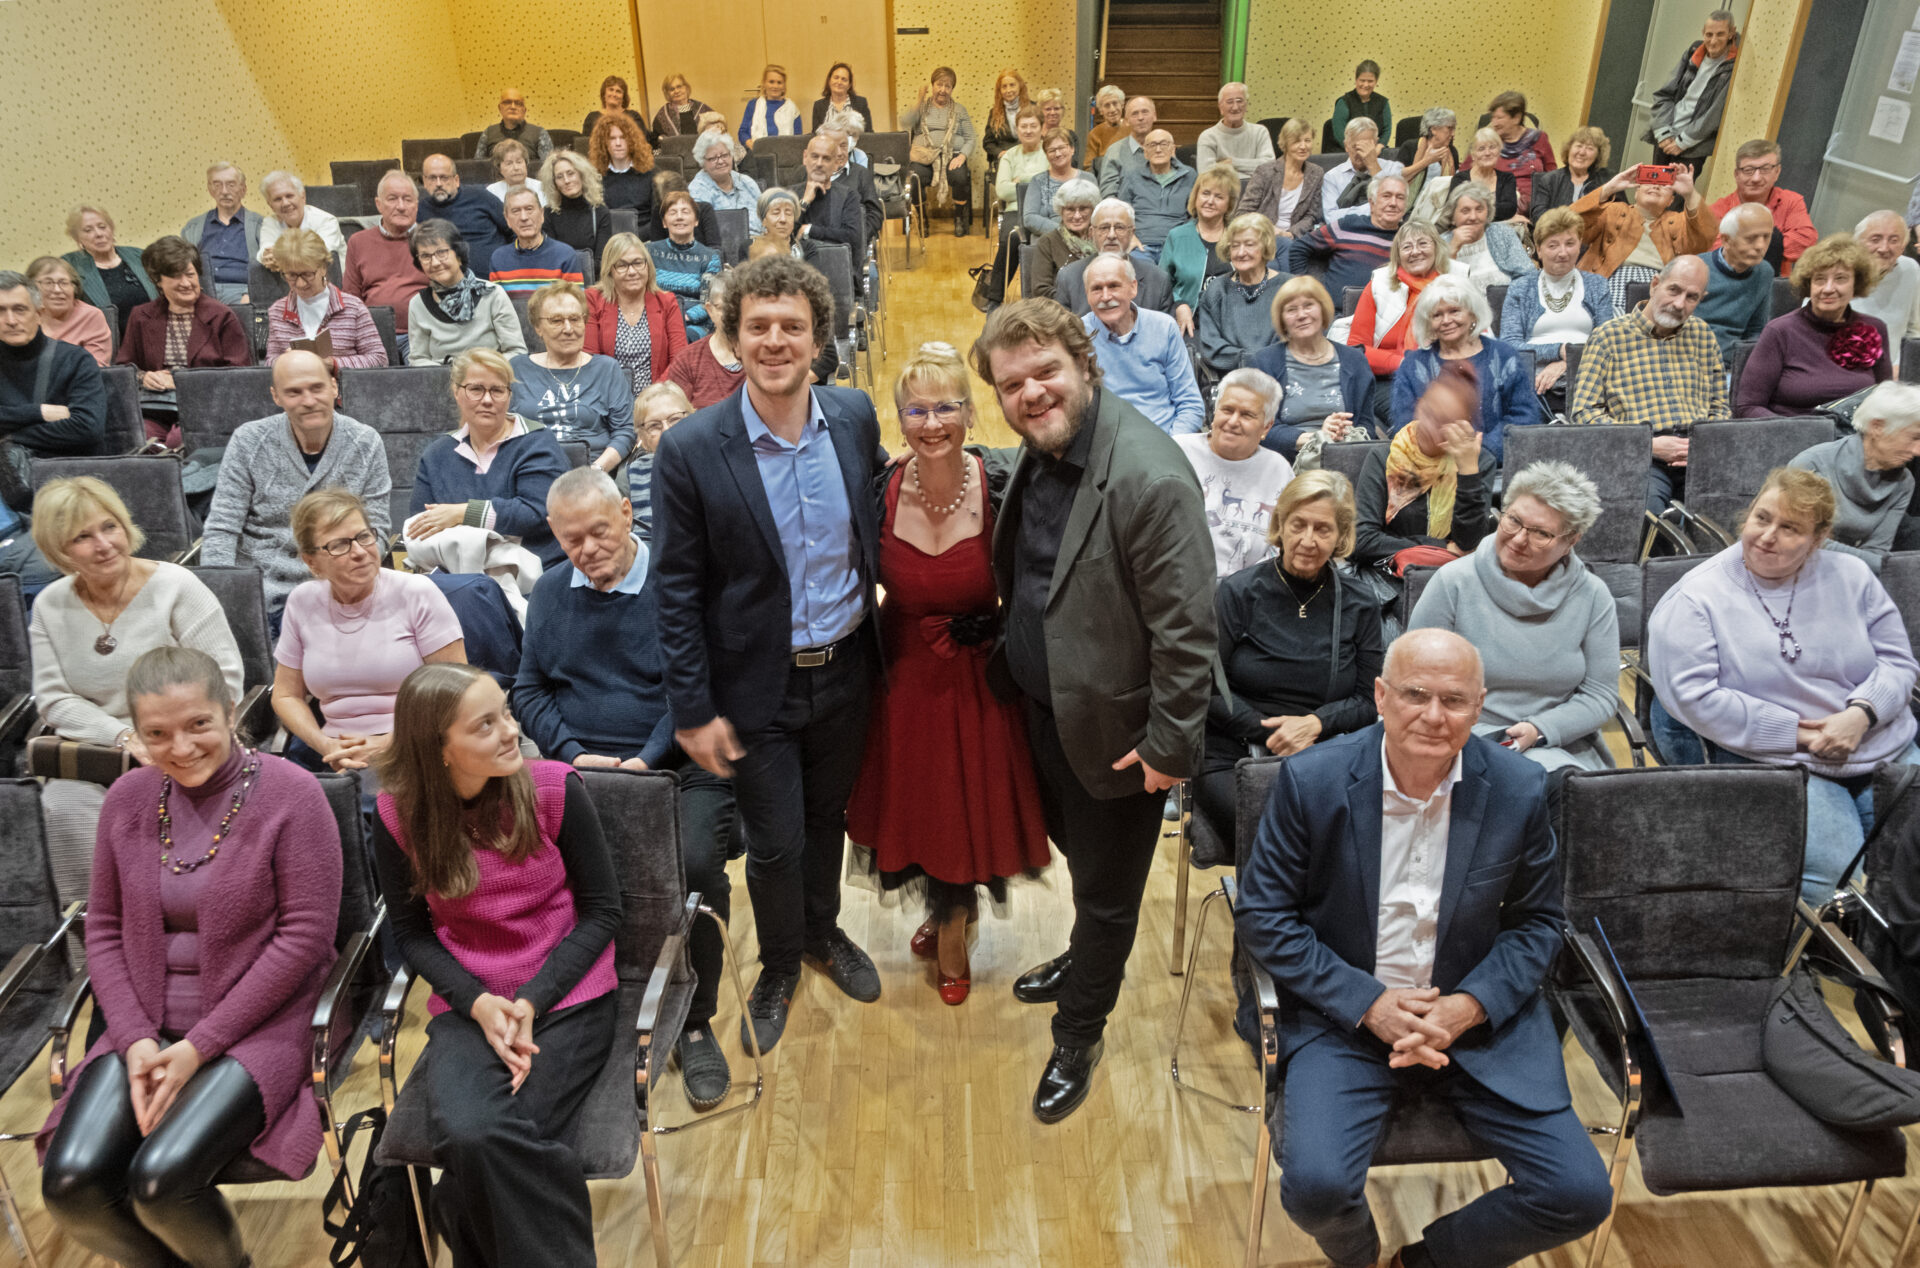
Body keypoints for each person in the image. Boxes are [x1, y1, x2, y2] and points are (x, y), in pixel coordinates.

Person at [1237, 626, 1614, 1268]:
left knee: (1578, 1194)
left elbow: (1538, 924)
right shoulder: (1311, 780)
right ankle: (1360, 1256)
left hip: (1473, 1021)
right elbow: (1264, 917)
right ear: (1381, 697)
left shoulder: (1520, 787)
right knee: (1317, 1190)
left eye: (1455, 700)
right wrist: (1370, 1004)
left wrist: (1468, 1006)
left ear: (1480, 706)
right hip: (1343, 1018)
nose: (1434, 716)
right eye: (1416, 694)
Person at [971, 299, 1215, 1123]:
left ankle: (1079, 1032)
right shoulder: (1045, 447)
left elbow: (1188, 632)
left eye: (1046, 372)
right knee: (1081, 861)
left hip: (1120, 736)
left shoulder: (1150, 476)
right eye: (1012, 384)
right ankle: (1083, 959)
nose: (1031, 393)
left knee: (1109, 894)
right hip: (1047, 709)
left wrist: (1170, 747)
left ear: (1086, 365)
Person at [37, 645, 341, 1268]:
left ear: (230, 710)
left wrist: (199, 1046)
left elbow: (304, 939)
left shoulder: (293, 793)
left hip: (261, 1024)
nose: (180, 747)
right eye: (157, 733)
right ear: (136, 733)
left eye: (198, 723)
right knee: (71, 1186)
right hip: (146, 1025)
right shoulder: (127, 797)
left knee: (163, 1182)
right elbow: (105, 930)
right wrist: (134, 1040)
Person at [654, 252, 887, 1056]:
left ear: (819, 339)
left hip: (849, 668)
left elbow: (880, 514)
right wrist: (692, 710)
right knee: (776, 841)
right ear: (735, 337)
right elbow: (675, 591)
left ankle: (823, 931)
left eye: (793, 326)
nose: (776, 341)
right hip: (757, 686)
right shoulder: (691, 447)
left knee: (829, 819)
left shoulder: (853, 416)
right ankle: (781, 962)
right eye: (759, 327)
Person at [371, 661, 619, 1267]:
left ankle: (456, 1216)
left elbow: (604, 913)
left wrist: (531, 999)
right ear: (439, 749)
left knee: (474, 1167)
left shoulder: (555, 787)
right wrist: (479, 1004)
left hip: (569, 994)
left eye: (505, 713)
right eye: (485, 724)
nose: (512, 731)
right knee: (469, 1136)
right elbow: (412, 935)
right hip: (471, 1000)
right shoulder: (397, 815)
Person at [508, 467, 734, 1105]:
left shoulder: (680, 582)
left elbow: (699, 683)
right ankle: (580, 1004)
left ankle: (695, 1020)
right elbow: (529, 689)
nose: (587, 550)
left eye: (599, 532)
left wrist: (645, 759)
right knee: (536, 869)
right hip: (580, 771)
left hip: (679, 762)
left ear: (629, 514)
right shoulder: (551, 592)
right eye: (571, 539)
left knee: (694, 867)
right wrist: (573, 754)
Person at [842, 344, 1050, 1005]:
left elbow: (1039, 578)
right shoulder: (878, 491)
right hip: (903, 673)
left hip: (981, 674)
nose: (932, 424)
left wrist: (1003, 630)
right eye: (917, 410)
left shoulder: (1002, 483)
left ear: (970, 411)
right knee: (921, 809)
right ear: (899, 418)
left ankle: (955, 926)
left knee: (968, 811)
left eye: (946, 408)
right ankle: (944, 908)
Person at [1649, 468, 1920, 903]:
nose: (1767, 536)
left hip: (1881, 741)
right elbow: (1695, 698)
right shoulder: (1696, 598)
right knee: (1835, 881)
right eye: (1762, 518)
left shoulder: (1852, 575)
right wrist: (1802, 734)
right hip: (1780, 756)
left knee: (1910, 869)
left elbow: (1898, 662)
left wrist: (1861, 714)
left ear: (1818, 539)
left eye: (1790, 528)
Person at [28, 477, 245, 909]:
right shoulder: (50, 605)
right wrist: (123, 737)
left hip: (184, 745)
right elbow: (53, 699)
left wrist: (162, 739)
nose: (104, 544)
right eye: (83, 537)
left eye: (110, 527)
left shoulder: (176, 586)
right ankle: (93, 936)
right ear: (59, 551)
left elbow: (222, 681)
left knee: (156, 811)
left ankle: (173, 925)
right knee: (60, 805)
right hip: (98, 753)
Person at [1195, 467, 1383, 842]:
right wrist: (1275, 732)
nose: (1308, 540)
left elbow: (1369, 700)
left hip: (1327, 747)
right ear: (1281, 524)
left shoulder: (1360, 602)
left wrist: (1315, 724)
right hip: (1235, 749)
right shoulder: (1238, 592)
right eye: (1298, 525)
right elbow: (1207, 689)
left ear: (1341, 536)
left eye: (1323, 529)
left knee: (1338, 831)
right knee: (1277, 830)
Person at [1410, 461, 1620, 772]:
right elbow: (1412, 676)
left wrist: (1540, 729)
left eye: (1541, 533)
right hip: (1464, 740)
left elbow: (1600, 694)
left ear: (1571, 541)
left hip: (1560, 741)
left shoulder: (1593, 596)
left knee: (1561, 787)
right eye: (1514, 521)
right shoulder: (1454, 581)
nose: (1519, 539)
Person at [274, 489, 466, 772]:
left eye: (364, 537)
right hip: (336, 754)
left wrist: (386, 745)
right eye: (340, 545)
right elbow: (285, 695)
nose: (360, 552)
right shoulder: (302, 602)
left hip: (417, 748)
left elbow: (457, 692)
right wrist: (325, 746)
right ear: (311, 561)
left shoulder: (416, 593)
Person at [201, 350, 392, 617]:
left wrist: (345, 584)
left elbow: (377, 530)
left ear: (334, 387)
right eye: (294, 392)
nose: (309, 401)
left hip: (339, 589)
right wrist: (224, 597)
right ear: (276, 396)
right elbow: (222, 529)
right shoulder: (248, 441)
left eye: (317, 388)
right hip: (261, 593)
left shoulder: (365, 442)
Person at [1570, 255, 1725, 513]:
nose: (1679, 303)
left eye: (1691, 297)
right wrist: (1648, 444)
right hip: (1639, 455)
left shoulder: (1702, 335)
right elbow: (1584, 414)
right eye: (1674, 290)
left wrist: (1702, 444)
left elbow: (1719, 406)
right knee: (1648, 512)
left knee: (1732, 506)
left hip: (1699, 453)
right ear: (1655, 285)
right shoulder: (1608, 337)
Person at [409, 348, 569, 567]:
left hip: (535, 572)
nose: (487, 400)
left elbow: (537, 513)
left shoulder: (537, 443)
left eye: (497, 390)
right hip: (458, 574)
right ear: (456, 392)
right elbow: (420, 526)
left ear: (509, 396)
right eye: (475, 389)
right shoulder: (437, 455)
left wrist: (463, 513)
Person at [1354, 363, 1495, 578]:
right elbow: (1362, 540)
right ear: (1418, 406)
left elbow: (1468, 543)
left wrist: (1468, 472)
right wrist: (1439, 547)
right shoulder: (1384, 457)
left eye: (1445, 423)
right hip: (1391, 574)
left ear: (1463, 425)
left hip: (1453, 575)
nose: (1431, 427)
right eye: (1429, 414)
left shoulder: (1479, 462)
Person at [1737, 235, 1892, 418]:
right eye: (1819, 279)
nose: (1828, 288)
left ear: (1856, 284)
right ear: (1808, 284)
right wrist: (1797, 429)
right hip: (1795, 430)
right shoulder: (1780, 331)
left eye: (1840, 279)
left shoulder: (1875, 328)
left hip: (1857, 432)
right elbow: (1748, 406)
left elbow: (1885, 400)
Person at [116, 237, 251, 444]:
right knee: (139, 438)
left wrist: (183, 381)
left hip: (207, 407)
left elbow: (239, 375)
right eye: (176, 276)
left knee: (177, 439)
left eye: (190, 274)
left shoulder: (222, 316)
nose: (186, 283)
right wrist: (144, 377)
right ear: (158, 281)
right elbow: (124, 368)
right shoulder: (141, 316)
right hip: (157, 407)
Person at [1391, 277, 1537, 463]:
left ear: (1473, 313)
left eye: (1454, 311)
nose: (1446, 320)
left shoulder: (1505, 356)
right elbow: (1405, 426)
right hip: (1434, 468)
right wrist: (1446, 455)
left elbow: (1525, 417)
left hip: (1497, 465)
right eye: (1437, 315)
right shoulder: (1412, 365)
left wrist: (1480, 452)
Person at [1790, 381, 1920, 572]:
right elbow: (1800, 540)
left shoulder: (1903, 482)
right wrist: (1868, 561)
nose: (1917, 451)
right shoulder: (1812, 464)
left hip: (1851, 575)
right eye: (1914, 437)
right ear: (1877, 427)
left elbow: (1877, 555)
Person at [1343, 221, 1466, 423]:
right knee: (1422, 417)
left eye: (1423, 243)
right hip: (1388, 379)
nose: (1415, 251)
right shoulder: (1379, 286)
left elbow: (1478, 338)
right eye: (1407, 247)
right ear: (1398, 255)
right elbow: (1356, 350)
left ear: (1437, 247)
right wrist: (1404, 363)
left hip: (1448, 375)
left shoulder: (1458, 284)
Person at [1176, 367, 1295, 574]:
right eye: (1227, 410)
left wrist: (1244, 586)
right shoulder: (1177, 451)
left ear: (1266, 427)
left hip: (1251, 588)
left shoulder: (1279, 470)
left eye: (1247, 415)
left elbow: (1284, 543)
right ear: (1214, 412)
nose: (1232, 422)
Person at [1500, 207, 1616, 416]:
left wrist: (1568, 362)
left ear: (1580, 245)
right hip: (1535, 381)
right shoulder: (1521, 287)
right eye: (1553, 245)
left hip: (1587, 377)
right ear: (1539, 249)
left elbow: (1608, 343)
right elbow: (1509, 344)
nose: (1563, 253)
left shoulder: (1597, 285)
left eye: (1570, 243)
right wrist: (1558, 350)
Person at [511, 281, 634, 474]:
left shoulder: (607, 369)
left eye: (575, 319)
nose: (568, 329)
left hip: (593, 472)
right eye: (556, 321)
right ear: (538, 327)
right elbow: (501, 429)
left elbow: (625, 432)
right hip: (531, 469)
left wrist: (595, 471)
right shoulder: (517, 369)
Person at [1248, 275, 1377, 456]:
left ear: (1323, 309)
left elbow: (1366, 427)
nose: (1302, 315)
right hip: (1286, 460)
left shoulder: (1355, 360)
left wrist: (1340, 434)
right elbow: (1259, 428)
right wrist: (1317, 438)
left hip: (1344, 456)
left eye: (1308, 305)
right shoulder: (1264, 362)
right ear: (1282, 320)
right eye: (1291, 310)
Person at [1081, 255, 1205, 435]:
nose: (1106, 297)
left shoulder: (1164, 327)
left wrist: (1172, 444)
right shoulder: (1078, 334)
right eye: (1097, 289)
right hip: (1107, 443)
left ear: (1133, 288)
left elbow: (1190, 404)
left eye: (1114, 286)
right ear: (1087, 294)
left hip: (1164, 438)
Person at [1573, 163, 1715, 311]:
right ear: (1636, 191)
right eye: (1649, 180)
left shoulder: (1679, 221)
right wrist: (1610, 188)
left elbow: (1706, 238)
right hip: (1607, 283)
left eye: (1664, 184)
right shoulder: (1614, 211)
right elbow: (1569, 226)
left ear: (1671, 201)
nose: (1656, 186)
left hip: (1659, 290)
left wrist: (1690, 194)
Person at [0, 271, 107, 466]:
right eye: (0, 311)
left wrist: (9, 437)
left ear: (39, 314)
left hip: (65, 470)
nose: (11, 320)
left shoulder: (77, 359)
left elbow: (88, 428)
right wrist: (39, 412)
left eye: (20, 310)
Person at [405, 219, 527, 367]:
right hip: (441, 378)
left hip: (490, 376)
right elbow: (418, 359)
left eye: (442, 252)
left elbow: (517, 352)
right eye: (425, 256)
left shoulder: (492, 294)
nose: (435, 262)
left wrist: (479, 370)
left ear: (458, 255)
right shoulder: (417, 304)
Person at [263, 229, 387, 369]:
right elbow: (269, 364)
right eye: (291, 275)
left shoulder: (353, 308)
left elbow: (379, 359)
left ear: (323, 268)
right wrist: (287, 360)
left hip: (342, 382)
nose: (300, 284)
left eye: (307, 274)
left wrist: (333, 364)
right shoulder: (277, 311)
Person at [585, 233, 687, 396]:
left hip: (657, 397)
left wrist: (653, 397)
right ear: (610, 270)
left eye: (638, 263)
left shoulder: (666, 302)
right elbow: (591, 361)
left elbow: (679, 361)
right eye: (622, 265)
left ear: (648, 266)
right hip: (607, 397)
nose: (632, 271)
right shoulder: (594, 300)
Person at [343, 170, 431, 359]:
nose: (401, 206)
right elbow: (351, 297)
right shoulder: (358, 242)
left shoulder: (433, 238)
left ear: (416, 205)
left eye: (407, 199)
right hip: (373, 335)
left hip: (421, 334)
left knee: (423, 373)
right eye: (392, 199)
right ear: (379, 204)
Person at [1195, 213, 1288, 378]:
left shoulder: (1288, 287)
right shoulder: (1217, 290)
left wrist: (1263, 361)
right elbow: (1211, 347)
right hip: (1231, 378)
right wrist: (1250, 359)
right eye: (1235, 246)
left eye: (1249, 245)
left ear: (1265, 246)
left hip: (1281, 376)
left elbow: (1295, 342)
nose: (1241, 252)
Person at [1289, 174, 1409, 299]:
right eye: (1386, 196)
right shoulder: (1348, 225)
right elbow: (1299, 248)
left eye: (1400, 197)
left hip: (1382, 309)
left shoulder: (1407, 240)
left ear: (1406, 206)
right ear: (1372, 203)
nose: (1393, 203)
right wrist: (1304, 290)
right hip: (1336, 309)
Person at [1051, 198, 1176, 316]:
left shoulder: (1157, 280)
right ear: (1092, 233)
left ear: (1131, 233)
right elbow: (1063, 328)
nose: (1111, 235)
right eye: (1104, 228)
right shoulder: (1068, 277)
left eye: (1119, 227)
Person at [1649, 10, 1739, 173]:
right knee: (1654, 186)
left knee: (1678, 190)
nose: (1713, 41)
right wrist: (1663, 132)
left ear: (1731, 33)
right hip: (1667, 135)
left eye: (1720, 34)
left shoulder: (1734, 64)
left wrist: (1682, 142)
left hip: (1692, 146)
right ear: (1703, 32)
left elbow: (1714, 114)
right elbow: (1665, 94)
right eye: (1709, 34)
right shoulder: (1694, 51)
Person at [1709, 139, 1816, 273]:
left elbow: (1806, 242)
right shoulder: (1717, 210)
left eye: (1765, 169)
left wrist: (1746, 244)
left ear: (1777, 172)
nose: (1756, 178)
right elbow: (1720, 253)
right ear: (1737, 175)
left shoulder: (1791, 202)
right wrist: (1775, 244)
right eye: (1748, 170)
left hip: (1776, 281)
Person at [1163, 163, 1243, 333]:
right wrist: (1179, 304)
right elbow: (1162, 284)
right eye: (1205, 193)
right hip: (1190, 325)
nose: (1210, 201)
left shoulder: (1239, 236)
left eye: (1219, 197)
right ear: (1196, 197)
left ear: (1229, 204)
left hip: (1235, 324)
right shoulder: (1177, 236)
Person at [1693, 201, 1777, 357]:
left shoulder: (1765, 272)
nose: (1760, 246)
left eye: (1766, 237)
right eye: (1751, 238)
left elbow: (1756, 329)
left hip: (1732, 362)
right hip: (1690, 355)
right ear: (1726, 240)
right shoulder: (1695, 268)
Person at [62, 205, 156, 342]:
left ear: (111, 228)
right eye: (88, 230)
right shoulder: (71, 267)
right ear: (77, 238)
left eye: (102, 227)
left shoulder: (139, 256)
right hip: (109, 348)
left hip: (155, 341)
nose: (98, 234)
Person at [904, 68, 978, 235]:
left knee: (960, 176)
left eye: (948, 86)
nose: (943, 90)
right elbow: (905, 122)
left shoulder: (960, 110)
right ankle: (922, 218)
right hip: (924, 156)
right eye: (939, 85)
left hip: (952, 155)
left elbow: (970, 138)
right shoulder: (922, 108)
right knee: (915, 178)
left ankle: (959, 218)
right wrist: (919, 101)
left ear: (952, 89)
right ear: (932, 85)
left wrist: (962, 156)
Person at [180, 162, 263, 304]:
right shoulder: (193, 227)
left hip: (244, 293)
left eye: (231, 184)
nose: (224, 191)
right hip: (202, 292)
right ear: (210, 190)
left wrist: (252, 295)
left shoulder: (260, 226)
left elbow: (271, 269)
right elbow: (182, 265)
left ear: (243, 189)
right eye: (217, 184)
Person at [649, 191, 723, 340]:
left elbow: (710, 300)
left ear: (696, 221)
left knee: (684, 336)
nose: (679, 217)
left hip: (696, 322)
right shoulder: (649, 252)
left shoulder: (710, 257)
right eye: (673, 212)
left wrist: (684, 317)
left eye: (685, 212)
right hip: (657, 317)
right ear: (664, 223)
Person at [418, 153, 512, 269]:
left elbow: (514, 228)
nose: (438, 184)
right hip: (449, 278)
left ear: (456, 180)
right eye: (432, 178)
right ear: (425, 181)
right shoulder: (420, 211)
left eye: (444, 177)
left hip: (495, 274)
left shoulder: (481, 197)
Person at [1854, 210, 1920, 372]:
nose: (1884, 248)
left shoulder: (1910, 269)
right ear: (1858, 243)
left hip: (1892, 372)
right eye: (1875, 239)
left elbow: (1915, 331)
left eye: (1894, 240)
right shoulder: (1839, 271)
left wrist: (1902, 367)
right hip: (1842, 368)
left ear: (1903, 246)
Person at [664, 271, 742, 407]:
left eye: (738, 308)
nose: (731, 315)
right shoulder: (688, 360)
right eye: (723, 308)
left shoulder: (763, 356)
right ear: (709, 310)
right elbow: (673, 412)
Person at [1239, 118, 1324, 241]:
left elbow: (1312, 215)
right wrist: (1268, 229)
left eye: (1307, 140)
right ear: (1285, 144)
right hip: (1263, 237)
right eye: (1296, 141)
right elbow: (1244, 212)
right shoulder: (1265, 171)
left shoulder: (1316, 173)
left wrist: (1291, 234)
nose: (1303, 146)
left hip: (1296, 238)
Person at [490, 188, 584, 296]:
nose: (524, 217)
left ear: (541, 214)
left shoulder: (565, 255)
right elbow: (497, 305)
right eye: (516, 211)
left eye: (529, 209)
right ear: (507, 219)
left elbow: (575, 303)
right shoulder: (499, 258)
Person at [629, 382, 692, 540]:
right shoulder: (631, 473)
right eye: (654, 426)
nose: (667, 430)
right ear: (643, 437)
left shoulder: (711, 464)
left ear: (692, 418)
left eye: (674, 419)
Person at [1440, 182, 1530, 290]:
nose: (1473, 217)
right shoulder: (1441, 243)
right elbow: (1438, 288)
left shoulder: (1503, 233)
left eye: (1479, 209)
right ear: (1452, 217)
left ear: (1488, 213)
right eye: (1465, 211)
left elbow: (1528, 275)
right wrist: (1452, 250)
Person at [25, 258, 110, 368]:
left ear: (74, 287)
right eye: (48, 283)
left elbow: (95, 367)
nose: (57, 290)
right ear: (31, 287)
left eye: (64, 283)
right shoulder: (23, 316)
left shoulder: (91, 316)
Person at [1027, 179, 1100, 303]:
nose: (1077, 216)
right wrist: (1078, 300)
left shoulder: (1103, 239)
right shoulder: (1048, 242)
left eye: (1083, 209)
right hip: (1063, 308)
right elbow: (1040, 290)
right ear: (1061, 211)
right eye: (1070, 209)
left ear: (1093, 210)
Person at [257, 172, 346, 268]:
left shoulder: (326, 221)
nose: (285, 203)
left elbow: (319, 255)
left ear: (303, 196)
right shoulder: (270, 222)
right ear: (270, 205)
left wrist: (279, 255)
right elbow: (265, 251)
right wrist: (267, 256)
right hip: (286, 276)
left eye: (289, 196)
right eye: (278, 199)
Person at [1322, 119, 1405, 222]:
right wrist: (1373, 208)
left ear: (1376, 143)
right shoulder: (1332, 177)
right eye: (1356, 147)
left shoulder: (1393, 168)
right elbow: (1331, 218)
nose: (1361, 153)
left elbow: (1397, 210)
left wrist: (1373, 166)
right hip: (1348, 231)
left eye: (1367, 146)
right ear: (1346, 146)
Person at [1486, 91, 1557, 212]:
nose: (1494, 123)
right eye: (1493, 117)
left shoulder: (1539, 138)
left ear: (1516, 118)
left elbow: (1552, 176)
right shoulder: (1487, 143)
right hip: (1501, 207)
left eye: (1499, 118)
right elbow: (1466, 175)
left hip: (1537, 207)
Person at [1528, 126, 1614, 222]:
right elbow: (1538, 216)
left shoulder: (1606, 181)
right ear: (1569, 149)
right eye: (1579, 146)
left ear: (1598, 155)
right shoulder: (1549, 180)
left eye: (1590, 148)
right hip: (1556, 230)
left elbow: (1619, 215)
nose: (1582, 152)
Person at [689, 130, 765, 235]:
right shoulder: (697, 190)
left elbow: (766, 219)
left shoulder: (747, 183)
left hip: (759, 242)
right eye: (713, 158)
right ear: (702, 162)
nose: (720, 161)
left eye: (724, 155)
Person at [540, 150, 612, 258]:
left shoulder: (600, 212)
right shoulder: (548, 214)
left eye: (571, 173)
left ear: (582, 174)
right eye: (559, 177)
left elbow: (602, 260)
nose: (566, 180)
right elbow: (551, 257)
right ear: (554, 183)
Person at [590, 111, 656, 225]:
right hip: (610, 234)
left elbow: (657, 219)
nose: (618, 143)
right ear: (603, 143)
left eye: (623, 137)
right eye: (612, 138)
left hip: (644, 233)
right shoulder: (595, 177)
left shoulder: (651, 173)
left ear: (632, 140)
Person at [1199, 82, 1275, 179]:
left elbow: (1269, 167)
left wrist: (1231, 163)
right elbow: (1205, 174)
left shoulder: (1260, 132)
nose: (1235, 107)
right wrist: (1251, 169)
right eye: (1229, 102)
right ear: (1220, 107)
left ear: (1246, 105)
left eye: (1240, 101)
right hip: (1222, 188)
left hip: (1255, 187)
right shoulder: (1208, 136)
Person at [1449, 129, 1521, 225]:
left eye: (1492, 147)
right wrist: (1492, 210)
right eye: (1481, 149)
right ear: (1473, 155)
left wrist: (1475, 209)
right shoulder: (1460, 179)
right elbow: (1454, 209)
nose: (1487, 153)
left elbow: (1509, 209)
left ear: (1499, 151)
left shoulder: (1507, 178)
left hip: (1498, 228)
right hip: (1468, 227)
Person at [1024, 127, 1084, 238]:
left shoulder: (1087, 179)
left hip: (1083, 239)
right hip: (1048, 239)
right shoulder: (1037, 181)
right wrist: (1064, 232)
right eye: (1051, 150)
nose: (1057, 154)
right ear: (1046, 155)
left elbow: (1097, 214)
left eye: (1062, 148)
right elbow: (1030, 218)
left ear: (1072, 149)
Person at [1097, 96, 1159, 199]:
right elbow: (1108, 195)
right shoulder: (1114, 152)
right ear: (1126, 121)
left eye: (1145, 112)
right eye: (1135, 113)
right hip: (1125, 208)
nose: (1140, 118)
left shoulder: (1165, 148)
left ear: (1154, 116)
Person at [981, 69, 1032, 185]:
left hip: (1029, 156)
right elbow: (988, 143)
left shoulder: (1033, 108)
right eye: (1004, 87)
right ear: (999, 90)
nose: (1008, 90)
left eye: (1012, 85)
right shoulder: (994, 113)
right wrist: (1000, 153)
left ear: (1020, 86)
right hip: (1006, 159)